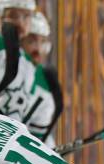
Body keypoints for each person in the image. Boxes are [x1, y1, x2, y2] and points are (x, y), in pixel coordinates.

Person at [21, 11, 62, 146]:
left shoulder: (45, 82)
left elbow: (41, 138)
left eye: (43, 41)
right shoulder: (1, 68)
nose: (38, 49)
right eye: (32, 41)